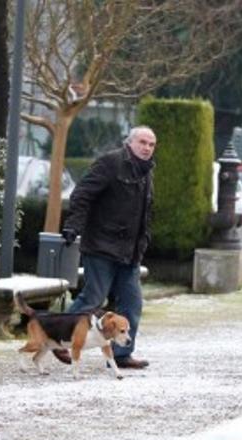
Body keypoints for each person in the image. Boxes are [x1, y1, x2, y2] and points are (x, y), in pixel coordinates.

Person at [54, 126, 157, 369]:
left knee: (132, 303)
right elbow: (82, 195)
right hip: (101, 246)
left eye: (152, 145)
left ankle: (121, 355)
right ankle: (59, 339)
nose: (147, 148)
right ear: (129, 143)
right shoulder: (110, 163)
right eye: (142, 142)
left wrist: (144, 239)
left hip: (129, 252)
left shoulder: (146, 171)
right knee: (93, 297)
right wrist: (73, 226)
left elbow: (144, 213)